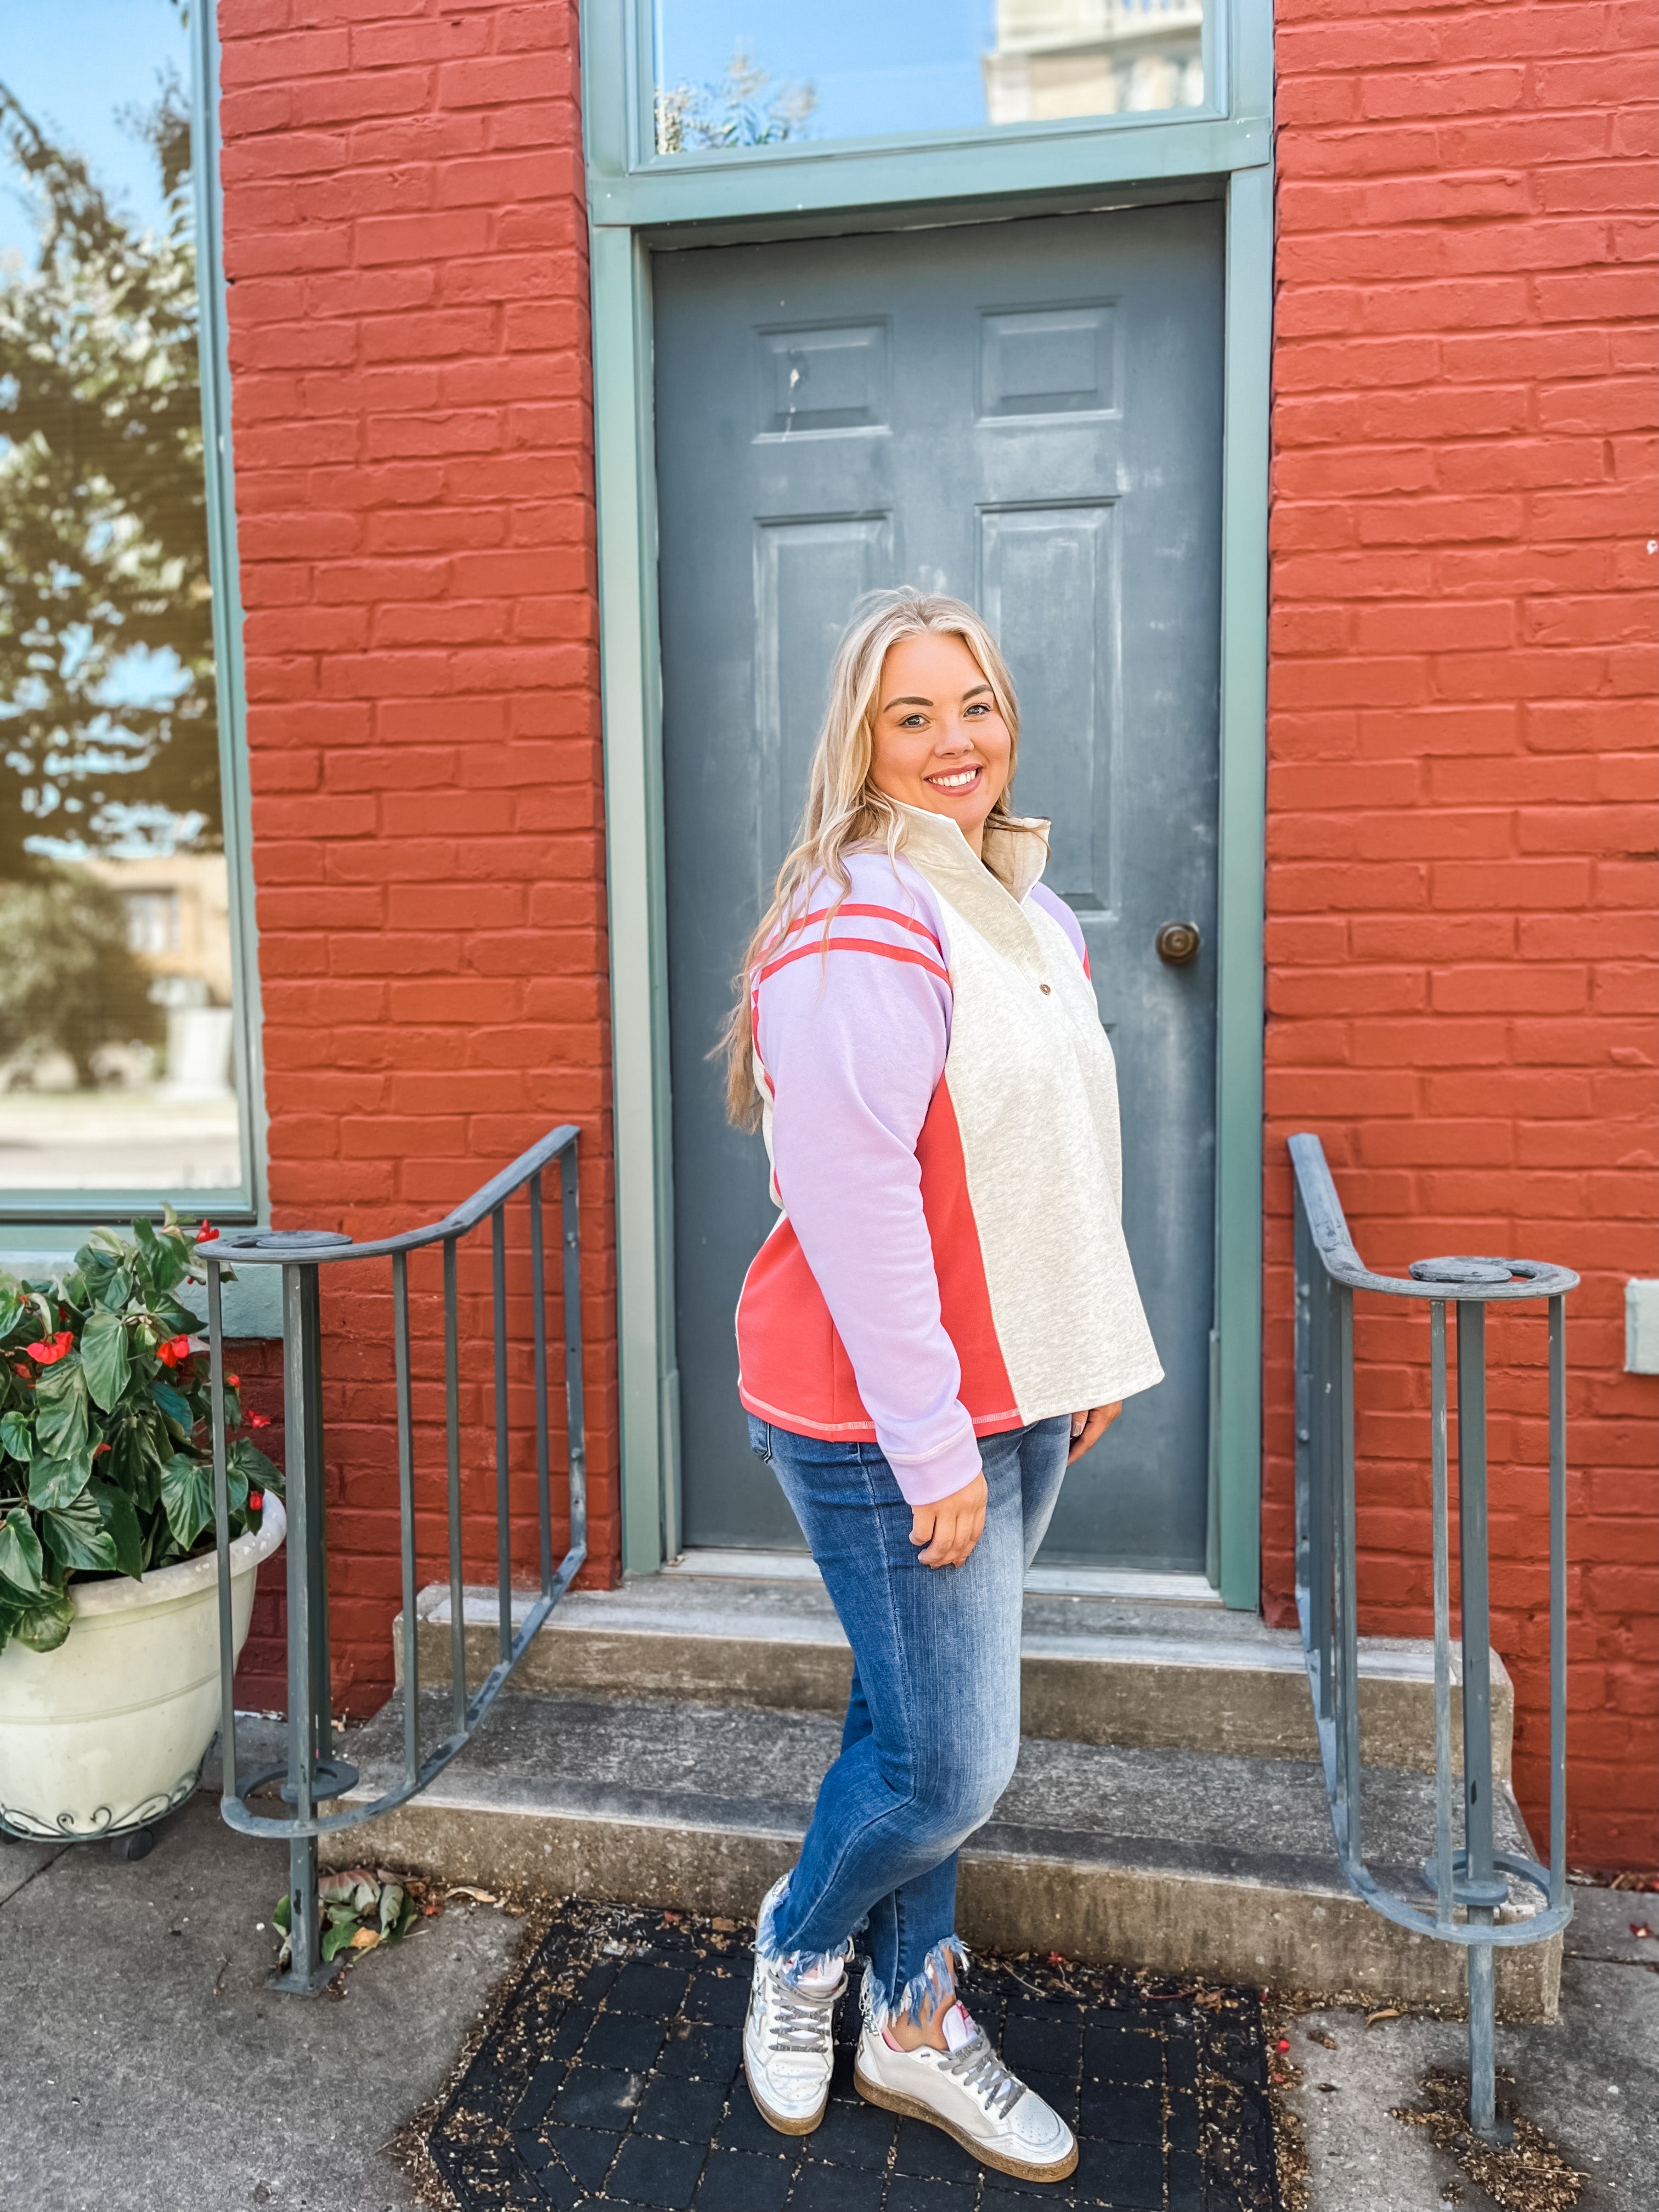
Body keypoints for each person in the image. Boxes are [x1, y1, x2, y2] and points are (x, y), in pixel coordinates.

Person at [726, 588, 1163, 2186]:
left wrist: (1082, 1344)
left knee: (903, 1712)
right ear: (864, 739)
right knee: (949, 1764)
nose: (956, 741)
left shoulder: (1013, 905)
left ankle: (909, 2021)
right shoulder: (863, 920)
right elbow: (856, 1211)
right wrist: (935, 1448)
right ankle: (801, 1945)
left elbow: (1055, 1153)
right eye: (913, 716)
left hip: (1007, 1389)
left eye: (972, 703)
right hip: (879, 1412)